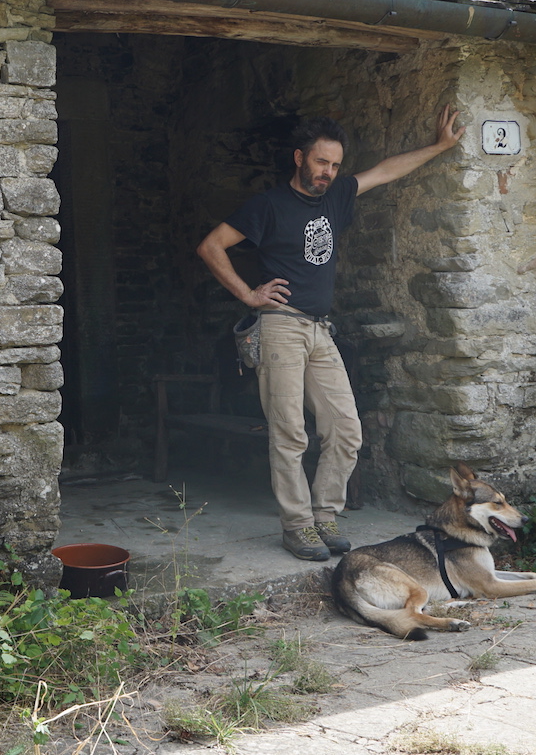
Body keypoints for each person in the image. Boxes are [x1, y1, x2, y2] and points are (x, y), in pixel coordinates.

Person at [196, 107, 464, 561]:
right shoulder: (268, 205)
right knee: (289, 433)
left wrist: (439, 147)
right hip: (281, 325)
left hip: (321, 329)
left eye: (336, 165)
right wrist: (248, 294)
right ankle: (297, 526)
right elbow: (211, 245)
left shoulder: (337, 195)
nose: (329, 172)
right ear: (299, 157)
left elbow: (384, 171)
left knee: (345, 428)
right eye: (321, 163)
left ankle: (324, 517)